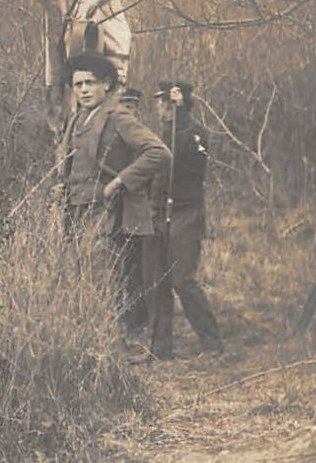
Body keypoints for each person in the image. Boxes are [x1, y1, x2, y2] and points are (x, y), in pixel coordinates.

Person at [59, 53, 171, 360]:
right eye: (77, 84)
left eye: (90, 84)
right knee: (82, 285)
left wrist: (120, 181)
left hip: (107, 217)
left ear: (106, 85)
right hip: (77, 215)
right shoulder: (76, 119)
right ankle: (96, 350)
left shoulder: (118, 116)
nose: (82, 90)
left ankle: (111, 356)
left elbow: (158, 152)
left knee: (104, 286)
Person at [151, 81, 224, 354]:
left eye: (165, 102)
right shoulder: (160, 135)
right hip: (161, 213)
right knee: (159, 280)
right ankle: (161, 346)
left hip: (186, 213)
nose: (159, 107)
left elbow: (191, 162)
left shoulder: (195, 134)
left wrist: (181, 114)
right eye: (160, 102)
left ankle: (211, 339)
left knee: (182, 279)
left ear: (177, 105)